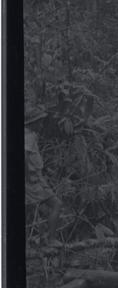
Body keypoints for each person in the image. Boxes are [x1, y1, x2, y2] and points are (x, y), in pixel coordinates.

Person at [25, 105, 61, 245]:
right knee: (55, 204)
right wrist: (28, 177)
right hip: (33, 180)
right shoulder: (29, 135)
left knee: (38, 209)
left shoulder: (30, 134)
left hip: (36, 178)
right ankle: (50, 239)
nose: (41, 124)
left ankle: (42, 238)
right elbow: (25, 156)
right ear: (33, 122)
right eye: (40, 121)